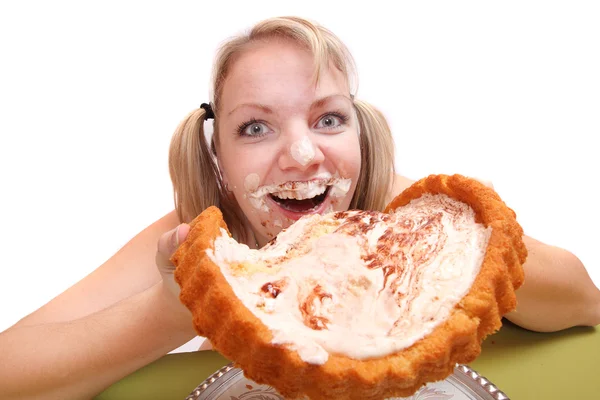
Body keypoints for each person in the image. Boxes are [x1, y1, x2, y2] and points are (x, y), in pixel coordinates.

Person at [1, 15, 599, 400]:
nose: (303, 154)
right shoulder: (202, 240)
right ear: (220, 160)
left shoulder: (406, 219)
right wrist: (179, 310)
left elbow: (584, 301)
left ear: (360, 136)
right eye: (256, 127)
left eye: (328, 119)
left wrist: (445, 265)